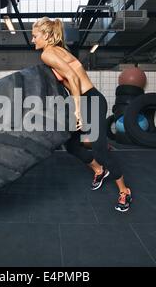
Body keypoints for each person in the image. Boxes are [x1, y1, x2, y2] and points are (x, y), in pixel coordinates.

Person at [31, 17, 132, 212]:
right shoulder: (59, 50)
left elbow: (72, 77)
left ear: (46, 35)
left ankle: (124, 191)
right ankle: (99, 170)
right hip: (87, 98)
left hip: (89, 99)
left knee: (100, 149)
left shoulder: (48, 54)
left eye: (35, 36)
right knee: (71, 144)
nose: (33, 40)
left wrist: (77, 108)